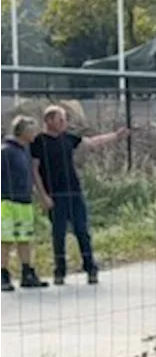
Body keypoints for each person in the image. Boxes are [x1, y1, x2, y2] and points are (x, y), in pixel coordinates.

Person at [30, 105, 129, 285]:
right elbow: (34, 170)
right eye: (60, 120)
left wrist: (115, 136)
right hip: (55, 194)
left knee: (82, 230)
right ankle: (60, 270)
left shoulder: (68, 138)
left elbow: (91, 142)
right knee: (58, 234)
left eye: (65, 120)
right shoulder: (38, 141)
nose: (64, 123)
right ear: (49, 121)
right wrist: (42, 195)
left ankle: (90, 267)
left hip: (74, 191)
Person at [0, 116, 50, 292]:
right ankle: (3, 275)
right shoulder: (5, 151)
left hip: (24, 201)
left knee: (24, 238)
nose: (35, 133)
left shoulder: (25, 150)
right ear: (23, 131)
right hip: (6, 202)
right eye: (33, 129)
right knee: (5, 239)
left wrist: (39, 195)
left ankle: (27, 273)